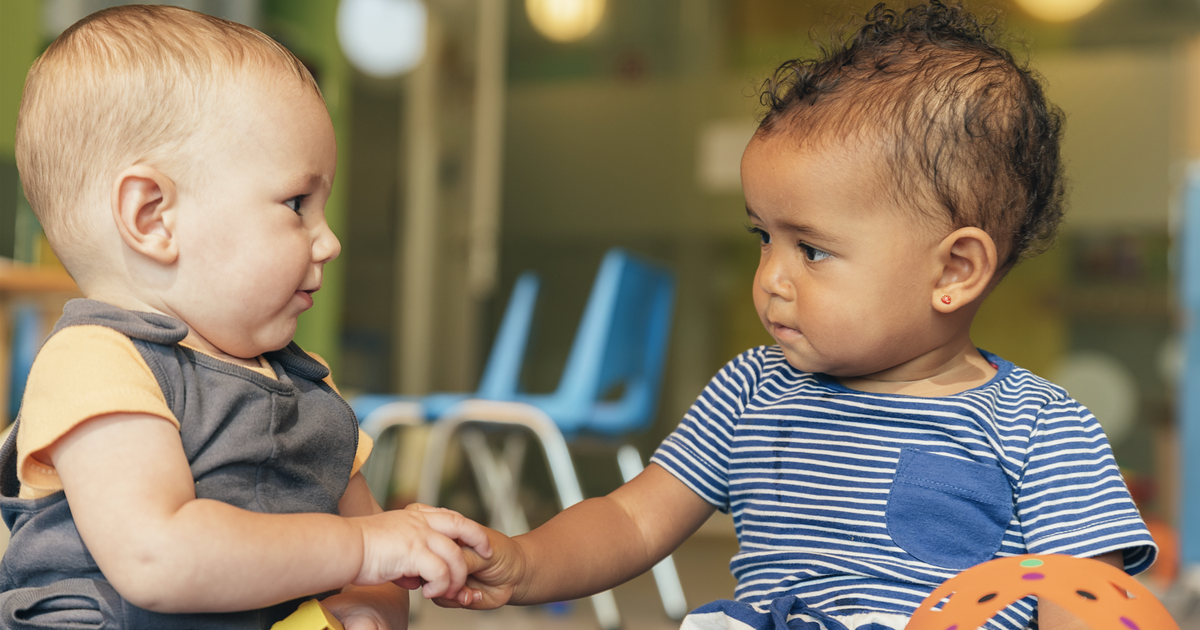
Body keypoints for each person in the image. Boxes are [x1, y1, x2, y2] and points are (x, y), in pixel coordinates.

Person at [434, 2, 1157, 629]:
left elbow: (1082, 597)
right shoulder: (752, 389)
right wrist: (526, 562)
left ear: (954, 271)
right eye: (762, 238)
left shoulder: (1041, 429)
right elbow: (630, 519)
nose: (770, 279)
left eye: (810, 250)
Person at [0, 5, 488, 629]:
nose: (329, 240)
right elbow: (158, 555)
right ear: (153, 217)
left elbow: (379, 564)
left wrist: (369, 603)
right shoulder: (97, 362)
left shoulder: (309, 388)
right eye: (297, 203)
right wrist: (364, 549)